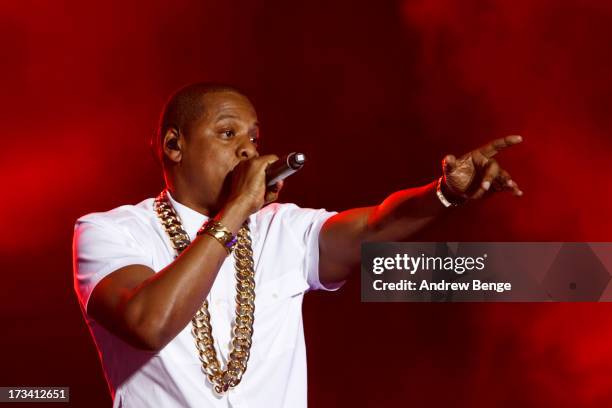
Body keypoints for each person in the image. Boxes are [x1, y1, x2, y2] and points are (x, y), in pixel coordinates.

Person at [73, 83, 523, 407]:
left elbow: (375, 228)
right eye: (228, 134)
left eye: (254, 138)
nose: (248, 151)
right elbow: (147, 322)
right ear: (174, 145)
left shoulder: (279, 228)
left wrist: (444, 192)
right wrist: (236, 210)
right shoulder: (110, 231)